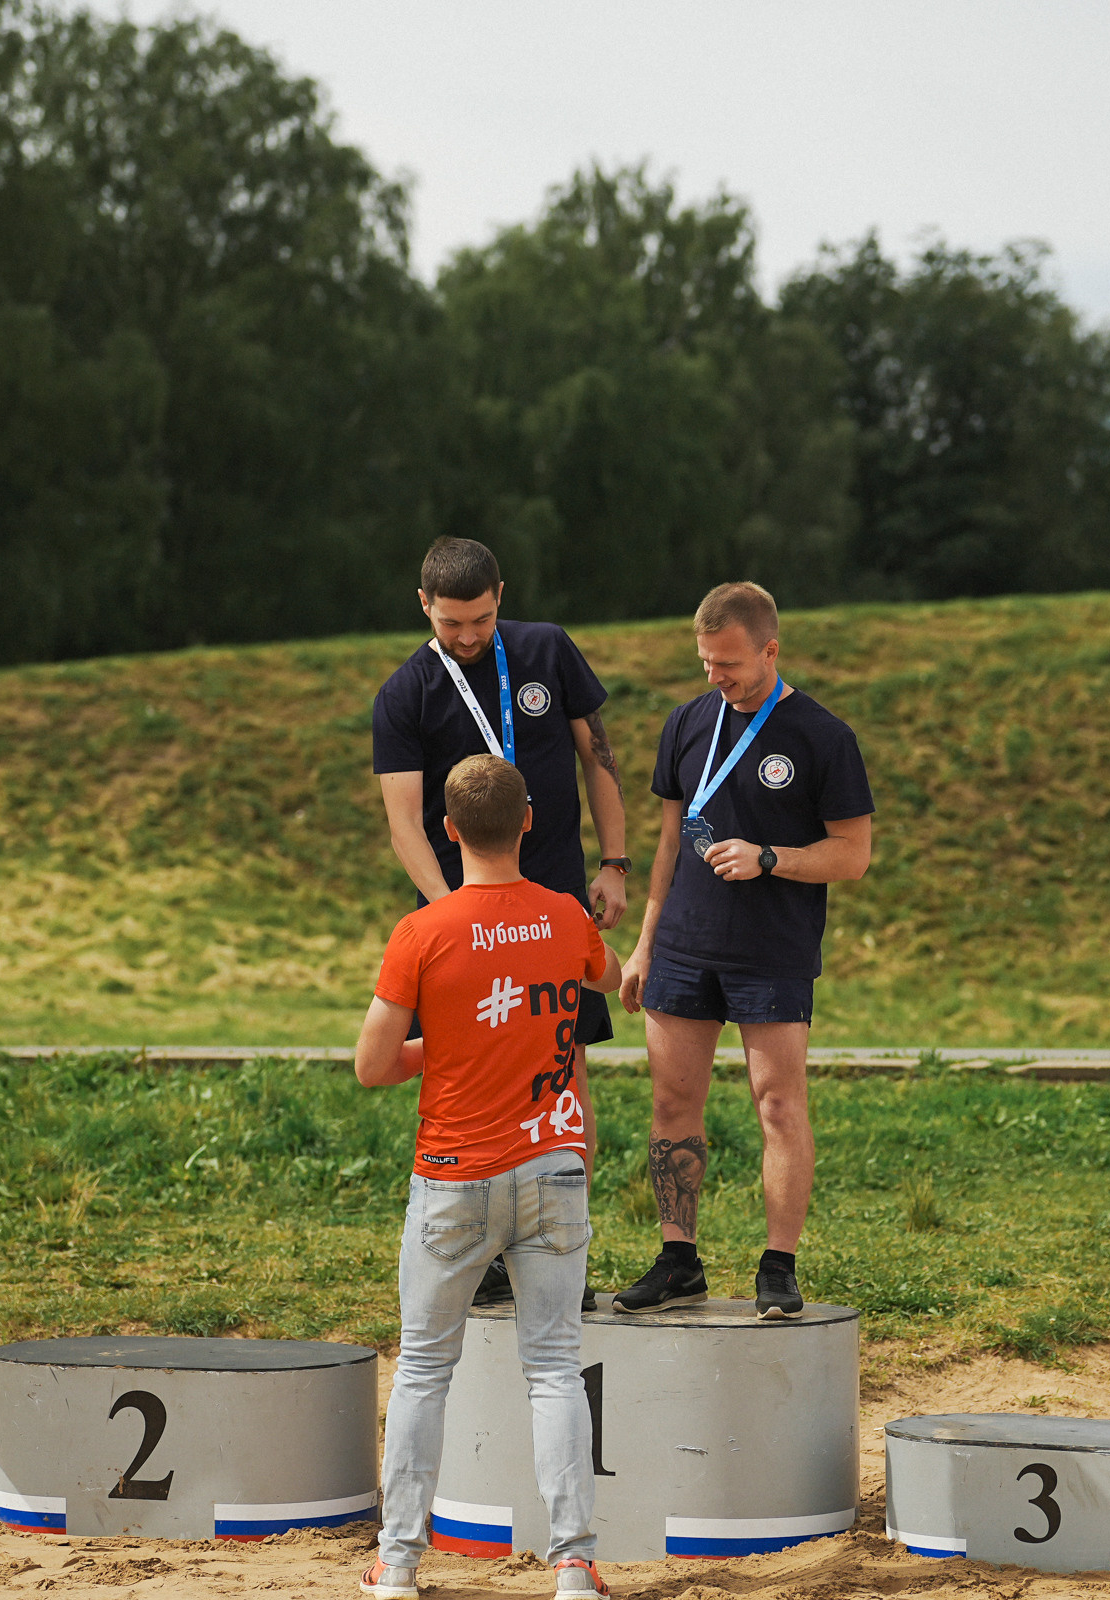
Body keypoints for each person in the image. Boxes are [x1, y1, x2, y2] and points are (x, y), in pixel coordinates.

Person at [352, 755, 620, 1600]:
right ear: (529, 821)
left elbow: (372, 1065)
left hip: (454, 1178)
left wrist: (445, 1043)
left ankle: (397, 1564)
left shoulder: (421, 932)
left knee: (424, 1371)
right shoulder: (566, 915)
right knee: (555, 1369)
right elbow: (609, 979)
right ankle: (573, 1563)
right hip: (554, 1170)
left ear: (449, 831)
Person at [373, 536, 629, 1310]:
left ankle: (563, 1250)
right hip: (465, 922)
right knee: (470, 1077)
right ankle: (482, 1254)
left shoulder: (546, 650)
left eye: (481, 619)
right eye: (452, 622)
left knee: (564, 1073)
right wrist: (447, 908)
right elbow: (405, 822)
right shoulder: (406, 693)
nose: (468, 636)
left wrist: (615, 862)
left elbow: (599, 759)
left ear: (501, 597)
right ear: (424, 605)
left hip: (555, 906)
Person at [612, 583, 873, 1321]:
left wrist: (771, 859)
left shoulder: (823, 736)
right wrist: (644, 945)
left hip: (772, 950)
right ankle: (679, 1261)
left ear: (770, 650)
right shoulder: (686, 722)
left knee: (779, 1105)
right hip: (683, 946)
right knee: (673, 1103)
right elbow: (670, 841)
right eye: (705, 662)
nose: (715, 676)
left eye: (728, 663)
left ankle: (778, 1268)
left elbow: (853, 854)